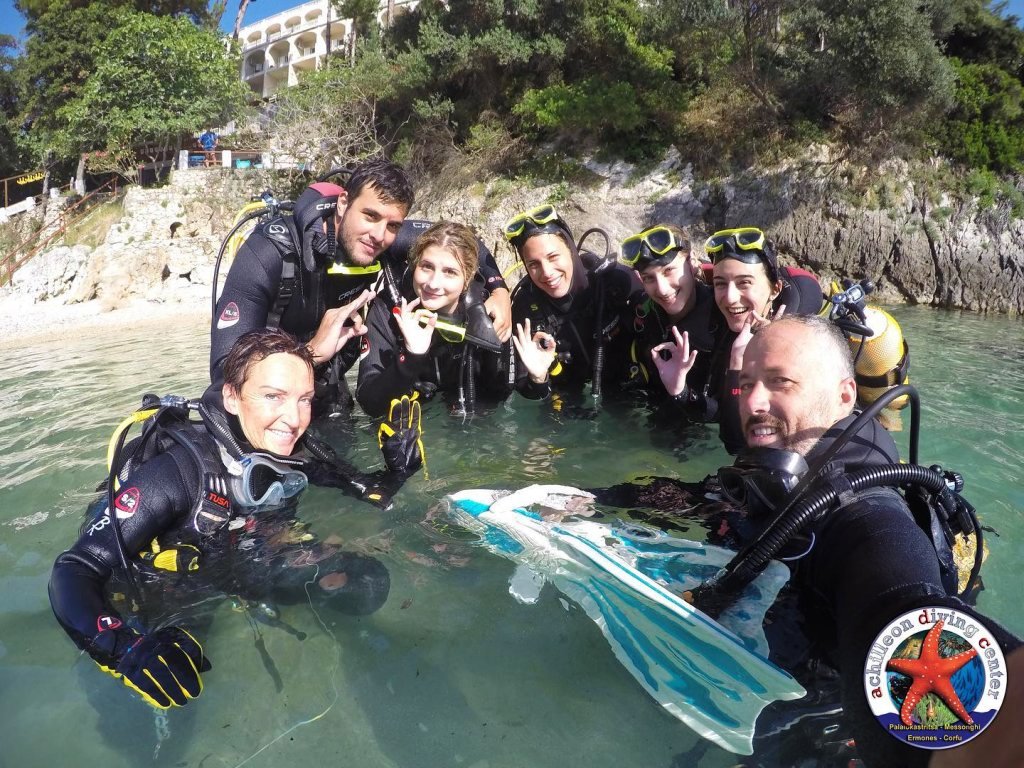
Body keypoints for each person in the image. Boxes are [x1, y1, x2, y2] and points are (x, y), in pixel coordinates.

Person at [601, 315, 1021, 766]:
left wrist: (960, 744)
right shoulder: (782, 475)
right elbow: (702, 496)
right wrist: (593, 499)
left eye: (781, 382)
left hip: (821, 731)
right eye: (747, 383)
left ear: (845, 395)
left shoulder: (865, 516)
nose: (754, 401)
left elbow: (902, 604)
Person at [48, 329, 397, 710]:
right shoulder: (177, 472)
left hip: (237, 558)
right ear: (232, 396)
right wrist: (121, 647)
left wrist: (396, 473)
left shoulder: (286, 451)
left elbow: (356, 485)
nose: (293, 419)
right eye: (273, 397)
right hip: (166, 589)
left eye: (305, 400)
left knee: (367, 583)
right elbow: (74, 567)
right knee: (180, 686)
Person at [210, 159, 512, 419]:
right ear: (343, 203)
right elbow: (224, 372)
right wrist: (310, 353)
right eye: (370, 216)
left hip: (327, 391)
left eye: (393, 225)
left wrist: (499, 289)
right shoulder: (269, 252)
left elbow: (465, 243)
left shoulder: (385, 235)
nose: (379, 235)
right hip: (266, 399)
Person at [651, 227, 823, 453]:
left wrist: (740, 363)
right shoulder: (725, 330)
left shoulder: (798, 347)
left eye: (744, 283)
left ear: (775, 289)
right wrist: (680, 390)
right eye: (721, 283)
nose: (730, 298)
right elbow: (722, 417)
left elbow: (739, 446)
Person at [356, 221, 511, 419]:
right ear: (414, 265)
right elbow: (369, 403)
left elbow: (501, 394)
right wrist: (411, 359)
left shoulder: (489, 314)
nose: (434, 283)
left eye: (450, 272)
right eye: (427, 267)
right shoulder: (387, 310)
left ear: (468, 277)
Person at [506, 205, 640, 405]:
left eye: (553, 257)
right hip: (564, 401)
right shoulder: (526, 305)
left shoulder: (614, 282)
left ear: (570, 249)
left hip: (628, 394)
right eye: (534, 264)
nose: (547, 273)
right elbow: (528, 391)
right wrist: (538, 379)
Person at [618, 224, 717, 418]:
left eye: (669, 270)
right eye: (649, 278)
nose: (661, 289)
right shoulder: (643, 315)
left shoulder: (722, 317)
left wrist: (682, 394)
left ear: (692, 262)